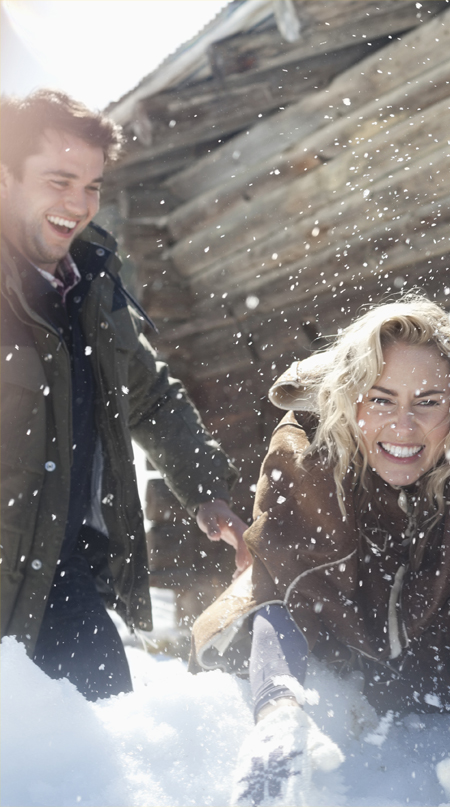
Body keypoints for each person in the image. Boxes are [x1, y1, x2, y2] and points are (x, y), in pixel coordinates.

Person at [190, 299, 450, 807]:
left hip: (440, 670)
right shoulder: (306, 455)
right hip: (335, 657)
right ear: (349, 397)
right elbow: (281, 593)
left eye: (428, 401)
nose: (403, 425)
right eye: (380, 399)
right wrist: (277, 716)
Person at [0, 89, 247, 701]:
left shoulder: (89, 289)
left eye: (92, 187)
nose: (78, 206)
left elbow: (151, 398)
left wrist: (206, 488)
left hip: (63, 578)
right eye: (59, 181)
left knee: (112, 762)